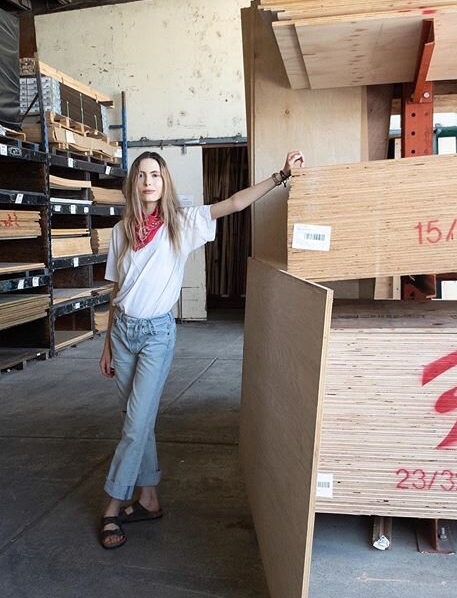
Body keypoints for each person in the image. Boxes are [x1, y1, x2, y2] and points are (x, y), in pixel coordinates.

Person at [98, 148, 305, 549]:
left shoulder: (182, 224)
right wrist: (107, 343)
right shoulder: (120, 231)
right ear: (133, 183)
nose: (147, 182)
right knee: (136, 420)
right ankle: (150, 499)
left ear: (165, 181)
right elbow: (115, 290)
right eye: (141, 175)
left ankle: (112, 505)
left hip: (157, 335)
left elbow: (234, 203)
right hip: (122, 333)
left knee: (134, 424)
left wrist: (279, 176)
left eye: (154, 175)